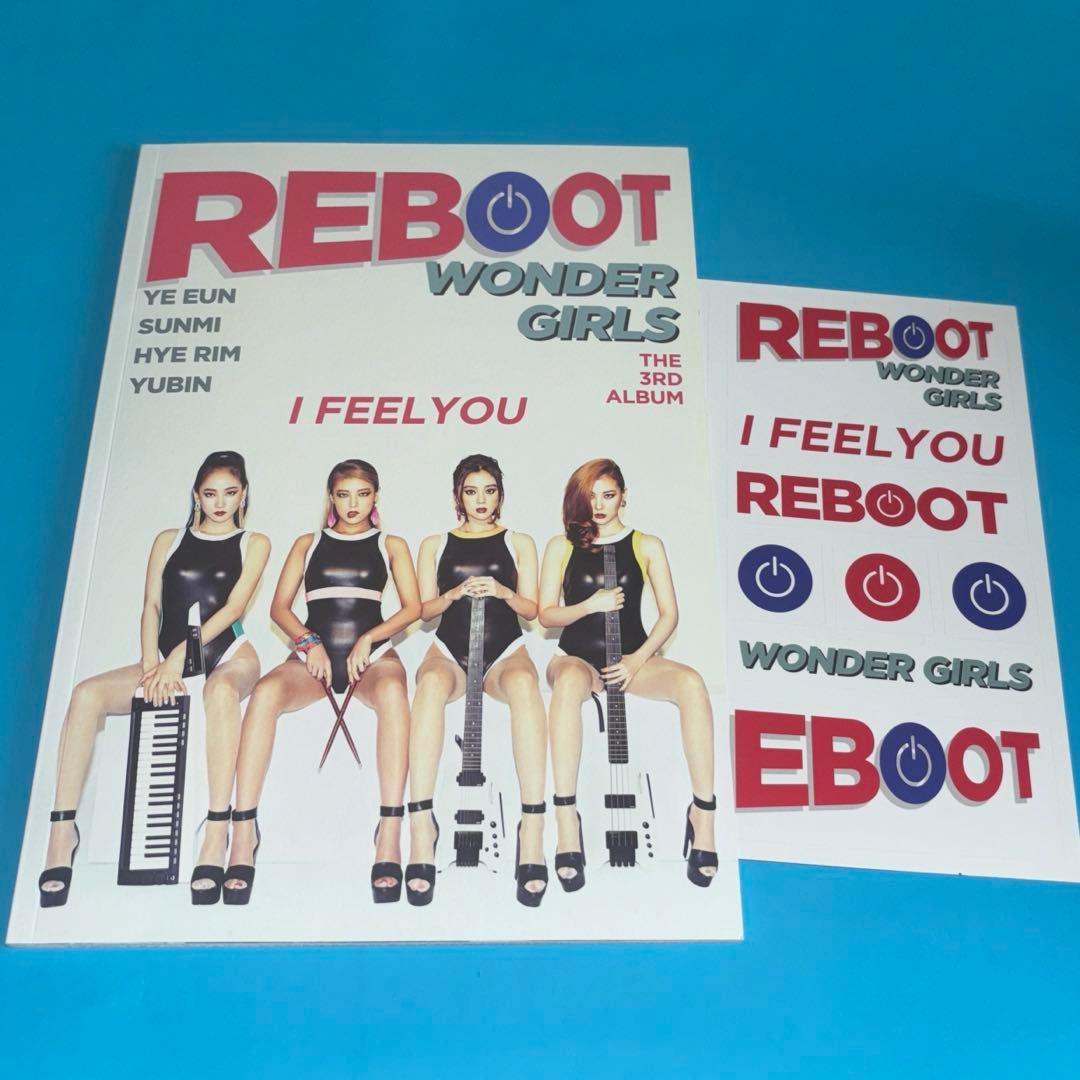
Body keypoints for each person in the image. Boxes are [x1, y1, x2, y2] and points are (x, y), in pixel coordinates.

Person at [38, 450, 270, 908]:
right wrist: (151, 664)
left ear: (243, 494)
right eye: (210, 494)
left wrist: (178, 659)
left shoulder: (253, 542)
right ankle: (62, 833)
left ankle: (216, 832)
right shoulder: (168, 539)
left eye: (229, 493)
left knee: (220, 691)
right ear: (196, 495)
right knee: (86, 695)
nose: (220, 503)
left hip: (228, 654)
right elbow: (151, 606)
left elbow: (233, 609)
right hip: (163, 657)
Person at [224, 459, 420, 904]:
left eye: (363, 494)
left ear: (375, 497)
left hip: (371, 658)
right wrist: (308, 642)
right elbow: (279, 608)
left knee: (394, 691)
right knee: (265, 692)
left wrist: (370, 638)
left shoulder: (391, 543)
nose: (353, 504)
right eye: (344, 494)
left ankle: (389, 832)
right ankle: (243, 832)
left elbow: (413, 608)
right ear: (331, 497)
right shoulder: (308, 543)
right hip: (314, 658)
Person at [538, 458, 717, 890]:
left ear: (623, 495)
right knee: (569, 684)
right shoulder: (562, 546)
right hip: (576, 658)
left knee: (692, 683)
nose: (599, 505)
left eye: (608, 495)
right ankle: (567, 819)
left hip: (632, 660)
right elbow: (546, 615)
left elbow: (669, 615)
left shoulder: (646, 544)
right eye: (590, 497)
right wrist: (589, 605)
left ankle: (703, 815)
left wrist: (637, 660)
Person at [406, 454, 548, 907]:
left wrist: (503, 591)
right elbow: (424, 612)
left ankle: (532, 829)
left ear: (500, 494)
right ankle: (421, 826)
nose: (481, 500)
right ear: (458, 496)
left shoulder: (519, 542)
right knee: (429, 686)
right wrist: (452, 594)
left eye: (489, 490)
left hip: (504, 651)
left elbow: (533, 610)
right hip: (450, 651)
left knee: (525, 687)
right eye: (471, 491)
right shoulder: (434, 544)